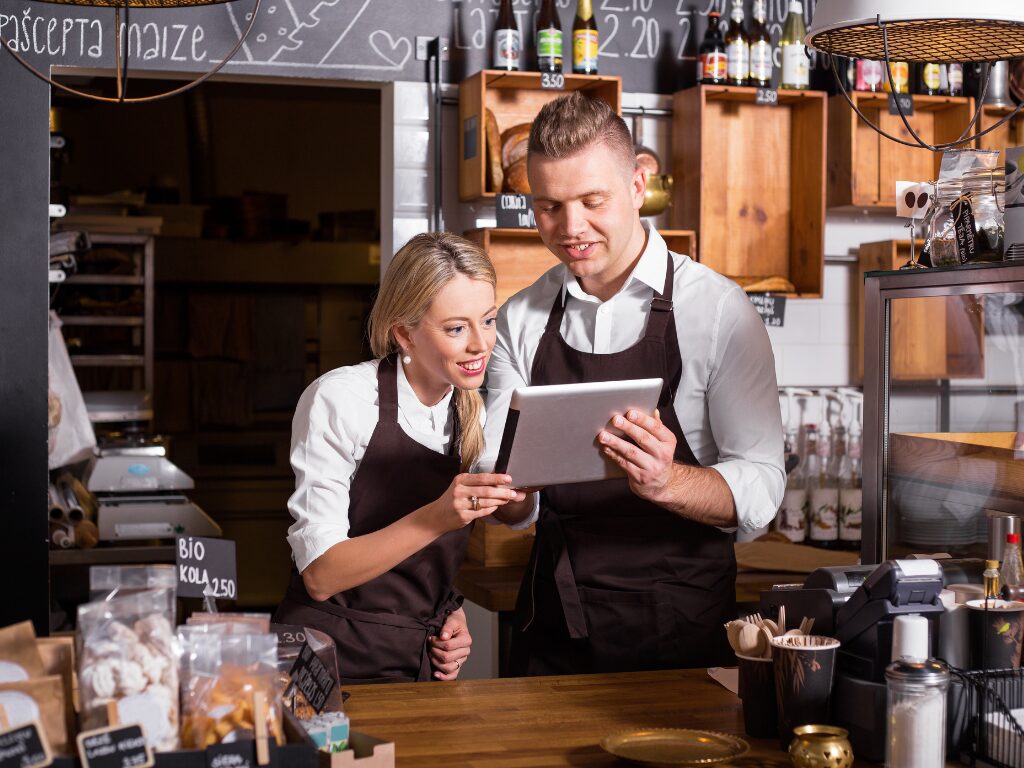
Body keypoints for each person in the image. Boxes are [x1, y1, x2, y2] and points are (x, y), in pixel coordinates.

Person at [485, 92, 786, 675]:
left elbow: (762, 490)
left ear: (638, 184)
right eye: (548, 206)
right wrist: (508, 495)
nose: (572, 229)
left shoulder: (720, 312)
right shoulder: (520, 319)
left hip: (680, 633)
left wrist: (668, 480)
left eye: (592, 200)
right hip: (554, 627)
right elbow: (514, 505)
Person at [275, 232, 526, 684]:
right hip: (324, 660)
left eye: (488, 321)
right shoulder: (342, 397)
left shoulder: (467, 406)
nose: (480, 344)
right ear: (404, 335)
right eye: (456, 328)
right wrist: (435, 517)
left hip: (416, 660)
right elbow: (320, 575)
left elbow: (420, 565)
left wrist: (450, 613)